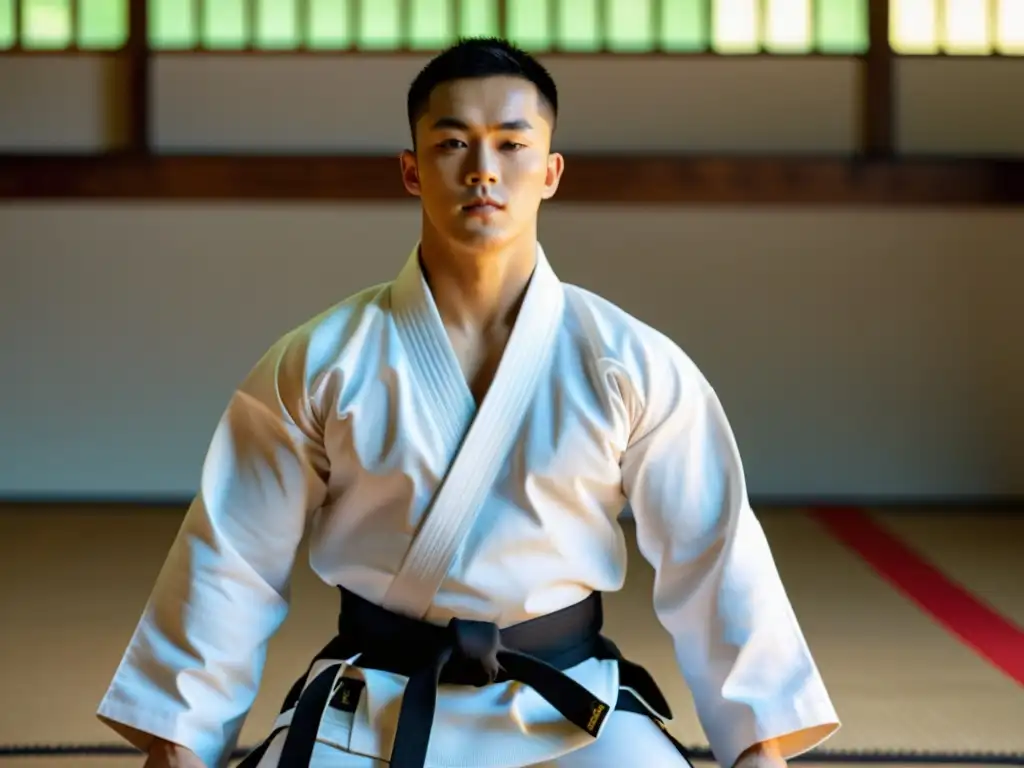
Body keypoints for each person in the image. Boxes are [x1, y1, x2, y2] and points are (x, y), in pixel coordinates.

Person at [97, 37, 840, 768]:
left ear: (550, 172)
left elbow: (715, 554)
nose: (484, 170)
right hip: (372, 702)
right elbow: (232, 557)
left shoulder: (630, 363)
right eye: (453, 143)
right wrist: (180, 744)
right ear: (412, 170)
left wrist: (757, 748)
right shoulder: (323, 361)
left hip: (567, 708)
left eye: (511, 145)